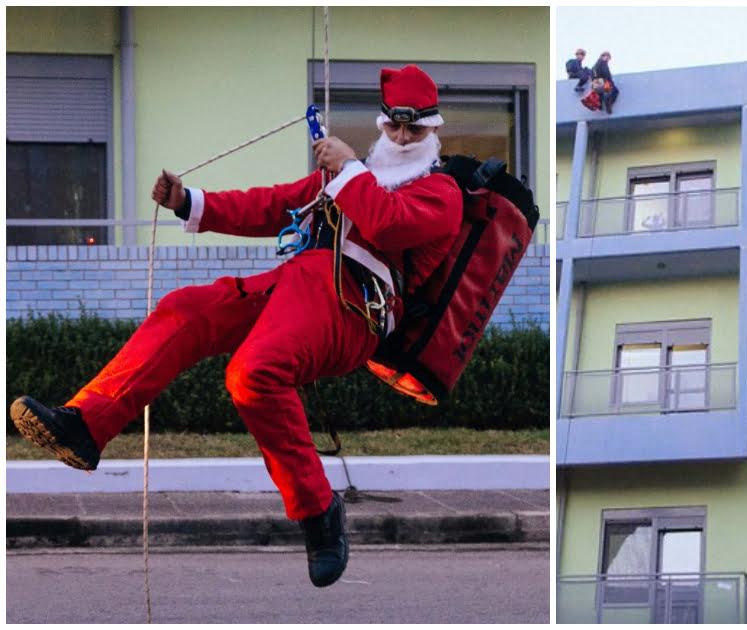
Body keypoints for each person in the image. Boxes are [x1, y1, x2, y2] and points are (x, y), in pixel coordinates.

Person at [8, 65, 464, 589]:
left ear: (435, 131)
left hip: (353, 310)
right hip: (296, 286)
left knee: (255, 371)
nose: (403, 138)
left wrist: (349, 170)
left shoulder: (440, 192)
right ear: (383, 126)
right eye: (395, 127)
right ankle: (86, 425)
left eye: (416, 129)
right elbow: (271, 205)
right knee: (188, 310)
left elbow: (388, 222)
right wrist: (189, 201)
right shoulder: (346, 176)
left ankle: (318, 514)